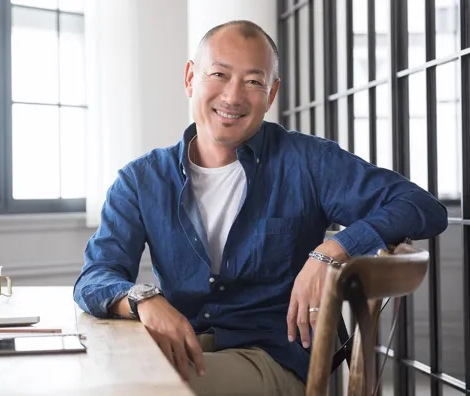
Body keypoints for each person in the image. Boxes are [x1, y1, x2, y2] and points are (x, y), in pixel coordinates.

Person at [73, 19, 448, 396]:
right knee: (96, 373)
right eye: (219, 74)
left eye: (254, 81)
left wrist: (333, 250)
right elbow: (95, 276)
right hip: (188, 342)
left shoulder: (308, 161)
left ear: (272, 94)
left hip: (272, 355)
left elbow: (422, 208)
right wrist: (143, 299)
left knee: (140, 387)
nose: (233, 96)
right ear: (190, 78)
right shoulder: (141, 180)